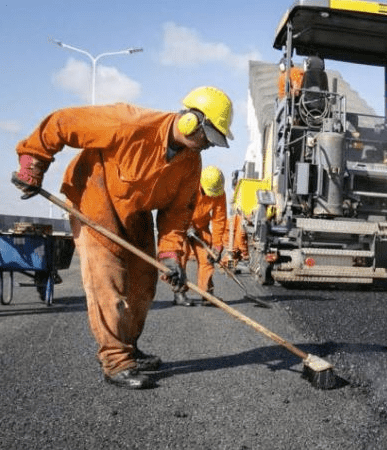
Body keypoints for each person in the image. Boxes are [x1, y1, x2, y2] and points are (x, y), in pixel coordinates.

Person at [11, 86, 235, 389]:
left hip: (136, 211)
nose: (208, 145)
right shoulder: (129, 123)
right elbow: (63, 123)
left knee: (144, 285)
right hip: (96, 199)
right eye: (207, 136)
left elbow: (177, 213)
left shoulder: (191, 162)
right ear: (190, 121)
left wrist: (170, 256)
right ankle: (116, 359)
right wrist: (33, 163)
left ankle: (129, 344)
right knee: (108, 282)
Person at [176, 165, 228, 307]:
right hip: (182, 225)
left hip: (201, 226)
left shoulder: (219, 193)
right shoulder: (189, 185)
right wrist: (187, 226)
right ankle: (179, 293)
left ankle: (206, 294)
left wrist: (217, 245)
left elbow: (219, 219)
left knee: (207, 258)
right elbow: (179, 208)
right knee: (181, 256)